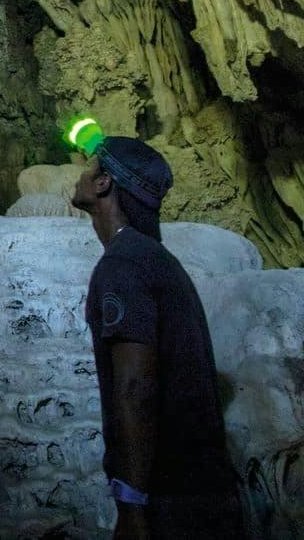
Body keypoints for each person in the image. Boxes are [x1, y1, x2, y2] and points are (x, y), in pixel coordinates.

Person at [69, 136, 244, 539]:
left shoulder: (123, 265)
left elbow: (135, 386)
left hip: (171, 501)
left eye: (91, 165)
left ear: (103, 184)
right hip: (204, 493)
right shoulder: (156, 260)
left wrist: (131, 504)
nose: (81, 172)